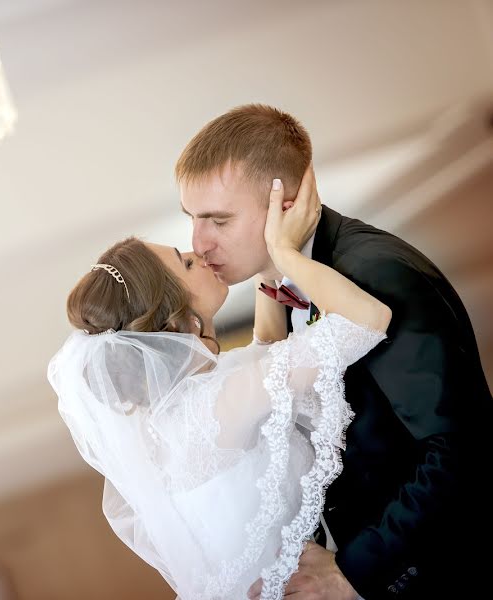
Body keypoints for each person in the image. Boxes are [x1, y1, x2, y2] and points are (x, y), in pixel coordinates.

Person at [175, 104, 492, 599]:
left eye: (218, 219)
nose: (198, 241)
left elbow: (461, 446)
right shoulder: (282, 285)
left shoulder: (375, 273)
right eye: (192, 219)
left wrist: (352, 571)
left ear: (289, 200)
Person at [47, 170, 391, 599]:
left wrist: (266, 268)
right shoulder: (212, 406)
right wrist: (285, 253)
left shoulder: (183, 410)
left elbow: (266, 350)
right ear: (176, 317)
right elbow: (368, 320)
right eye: (186, 262)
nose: (199, 252)